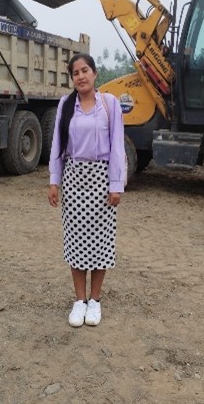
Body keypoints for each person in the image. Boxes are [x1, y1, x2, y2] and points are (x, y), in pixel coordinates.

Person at [48, 53, 126, 327]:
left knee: (101, 241)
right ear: (72, 78)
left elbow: (117, 146)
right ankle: (79, 300)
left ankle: (95, 300)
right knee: (76, 241)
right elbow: (58, 144)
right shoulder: (66, 105)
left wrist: (116, 185)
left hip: (101, 181)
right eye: (75, 73)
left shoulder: (109, 104)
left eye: (85, 70)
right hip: (73, 180)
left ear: (95, 73)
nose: (80, 76)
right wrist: (54, 180)